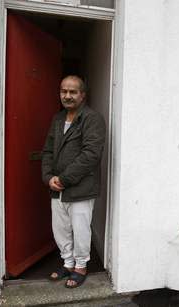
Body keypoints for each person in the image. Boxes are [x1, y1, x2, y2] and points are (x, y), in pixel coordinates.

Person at [41, 75, 106, 288]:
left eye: (73, 92)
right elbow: (48, 150)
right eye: (64, 91)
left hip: (81, 188)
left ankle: (80, 267)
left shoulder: (92, 118)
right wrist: (48, 177)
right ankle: (67, 263)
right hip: (57, 187)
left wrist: (65, 179)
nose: (67, 96)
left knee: (80, 229)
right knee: (60, 228)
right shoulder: (58, 118)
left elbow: (91, 154)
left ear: (82, 95)